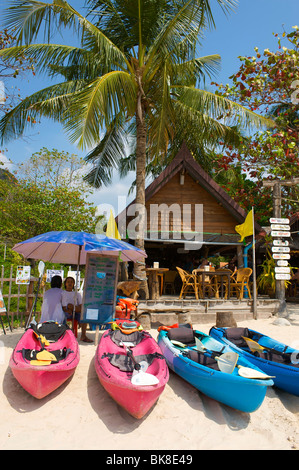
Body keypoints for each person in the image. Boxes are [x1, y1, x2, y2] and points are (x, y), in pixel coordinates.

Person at [62, 276, 92, 343]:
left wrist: (73, 308)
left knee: (83, 315)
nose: (70, 284)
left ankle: (83, 335)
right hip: (65, 311)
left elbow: (81, 306)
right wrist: (68, 309)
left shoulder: (77, 294)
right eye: (68, 282)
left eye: (71, 282)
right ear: (65, 284)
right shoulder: (62, 293)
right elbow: (62, 306)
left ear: (74, 284)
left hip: (76, 310)